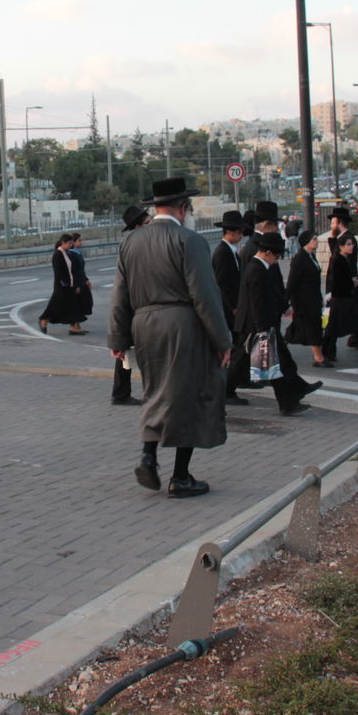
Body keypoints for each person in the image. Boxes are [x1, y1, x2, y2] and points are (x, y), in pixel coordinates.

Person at [108, 177, 231, 499]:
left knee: (155, 391)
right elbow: (205, 295)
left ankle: (149, 456)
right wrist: (222, 341)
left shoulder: (131, 242)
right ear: (183, 207)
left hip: (144, 324)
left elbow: (119, 295)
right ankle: (180, 476)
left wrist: (118, 340)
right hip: (183, 323)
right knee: (190, 394)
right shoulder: (189, 241)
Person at [234, 231, 320, 416]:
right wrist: (262, 331)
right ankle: (290, 399)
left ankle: (292, 396)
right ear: (268, 252)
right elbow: (256, 303)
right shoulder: (256, 270)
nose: (278, 259)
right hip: (257, 327)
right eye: (277, 255)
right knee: (260, 365)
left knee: (279, 363)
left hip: (264, 325)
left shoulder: (262, 267)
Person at [322, 207, 358, 364]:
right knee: (348, 322)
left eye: (333, 223)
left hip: (344, 290)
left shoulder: (347, 240)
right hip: (343, 290)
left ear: (339, 223)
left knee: (355, 320)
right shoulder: (342, 239)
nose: (330, 226)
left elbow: (342, 267)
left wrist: (335, 289)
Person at [111, 205, 149, 406]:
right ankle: (121, 393)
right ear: (138, 226)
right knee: (126, 352)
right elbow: (121, 289)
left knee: (127, 353)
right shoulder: (132, 245)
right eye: (147, 223)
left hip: (133, 308)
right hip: (133, 308)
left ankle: (121, 392)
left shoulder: (133, 242)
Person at [211, 210, 250, 404]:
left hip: (235, 308)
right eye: (239, 232)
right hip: (229, 310)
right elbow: (222, 285)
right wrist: (233, 307)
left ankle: (234, 383)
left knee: (239, 347)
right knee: (236, 348)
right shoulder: (222, 253)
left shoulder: (231, 251)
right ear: (230, 232)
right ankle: (227, 389)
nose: (241, 236)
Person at [284, 230, 327, 366]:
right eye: (314, 239)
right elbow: (291, 283)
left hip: (313, 299)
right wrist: (285, 303)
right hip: (303, 301)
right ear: (306, 242)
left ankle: (280, 346)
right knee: (312, 328)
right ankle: (319, 357)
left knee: (298, 329)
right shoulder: (299, 259)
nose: (317, 241)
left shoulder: (311, 256)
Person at [38, 234, 88, 335]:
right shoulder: (58, 254)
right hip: (62, 286)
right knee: (56, 305)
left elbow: (71, 271)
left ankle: (73, 327)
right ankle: (44, 320)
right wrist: (65, 284)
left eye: (71, 243)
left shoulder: (66, 253)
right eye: (69, 243)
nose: (71, 245)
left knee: (72, 306)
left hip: (69, 285)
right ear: (63, 243)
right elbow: (59, 273)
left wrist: (74, 284)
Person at [238, 201, 280, 267]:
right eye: (275, 224)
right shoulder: (260, 247)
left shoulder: (252, 244)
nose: (277, 229)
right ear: (266, 224)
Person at [69, 233, 94, 322]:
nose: (81, 242)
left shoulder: (78, 253)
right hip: (77, 283)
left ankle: (77, 324)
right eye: (79, 240)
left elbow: (81, 270)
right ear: (73, 242)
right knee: (78, 303)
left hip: (82, 281)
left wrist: (86, 280)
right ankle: (75, 325)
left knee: (86, 302)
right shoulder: (72, 254)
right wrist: (77, 285)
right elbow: (74, 271)